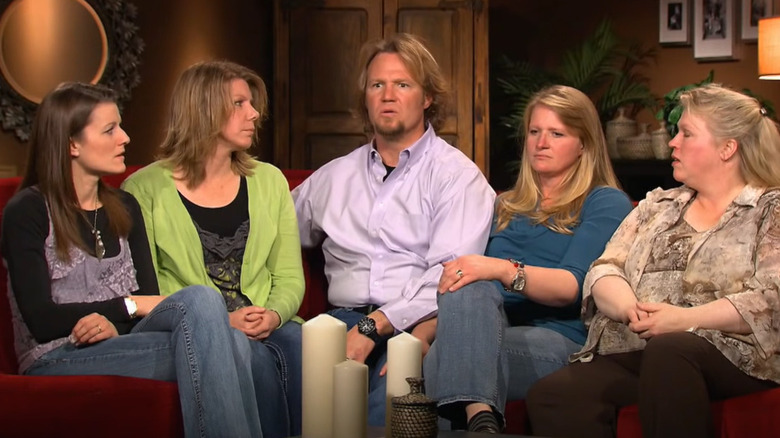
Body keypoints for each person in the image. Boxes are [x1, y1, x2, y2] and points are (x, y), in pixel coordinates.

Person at [1, 82, 263, 438]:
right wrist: (125, 308)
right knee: (225, 341)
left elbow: (147, 308)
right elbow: (41, 320)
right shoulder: (27, 211)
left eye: (121, 126)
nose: (125, 138)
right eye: (110, 129)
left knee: (208, 304)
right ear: (72, 144)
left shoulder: (124, 207)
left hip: (120, 342)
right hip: (56, 355)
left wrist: (118, 324)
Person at [526, 83, 780, 438]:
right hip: (643, 349)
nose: (673, 142)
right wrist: (630, 308)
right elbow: (604, 268)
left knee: (672, 351)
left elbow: (770, 299)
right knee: (554, 396)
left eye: (687, 134)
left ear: (727, 148)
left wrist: (684, 320)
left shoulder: (770, 210)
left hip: (735, 356)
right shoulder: (657, 207)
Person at [292, 32, 495, 426]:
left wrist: (375, 326)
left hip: (416, 327)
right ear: (365, 98)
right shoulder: (331, 178)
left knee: (383, 413)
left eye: (402, 84)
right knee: (301, 405)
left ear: (427, 97)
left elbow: (450, 274)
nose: (388, 95)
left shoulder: (457, 177)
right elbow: (275, 236)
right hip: (338, 322)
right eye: (377, 85)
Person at [422, 85, 633, 434]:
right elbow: (473, 288)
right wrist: (426, 327)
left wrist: (503, 270)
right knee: (466, 281)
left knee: (443, 357)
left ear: (584, 144)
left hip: (561, 340)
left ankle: (478, 417)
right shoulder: (506, 204)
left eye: (556, 133)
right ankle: (482, 421)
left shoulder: (604, 202)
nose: (541, 142)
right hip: (491, 328)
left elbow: (571, 286)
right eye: (534, 132)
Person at [122, 61, 304, 438]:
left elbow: (288, 276)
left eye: (251, 104)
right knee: (245, 354)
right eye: (239, 103)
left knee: (304, 347)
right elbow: (149, 292)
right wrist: (222, 323)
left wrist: (272, 314)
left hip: (265, 319)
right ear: (203, 109)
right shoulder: (144, 189)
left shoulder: (270, 181)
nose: (254, 113)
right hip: (193, 326)